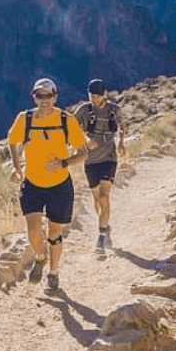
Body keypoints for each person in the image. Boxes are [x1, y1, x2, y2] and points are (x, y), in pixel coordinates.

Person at [7, 77, 88, 291]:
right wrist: (17, 167)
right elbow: (12, 140)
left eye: (48, 96)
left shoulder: (66, 120)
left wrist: (64, 163)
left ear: (55, 97)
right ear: (34, 97)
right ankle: (41, 257)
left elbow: (83, 152)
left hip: (59, 185)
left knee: (54, 233)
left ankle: (54, 272)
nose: (44, 100)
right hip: (32, 183)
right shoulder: (25, 119)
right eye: (40, 96)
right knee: (33, 231)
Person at [75, 78, 126, 254]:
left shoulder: (114, 109)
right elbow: (71, 126)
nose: (94, 100)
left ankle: (101, 236)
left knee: (104, 198)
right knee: (97, 200)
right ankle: (105, 225)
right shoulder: (84, 110)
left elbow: (123, 126)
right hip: (90, 160)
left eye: (97, 96)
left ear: (104, 94)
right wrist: (85, 139)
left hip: (109, 158)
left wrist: (121, 143)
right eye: (91, 96)